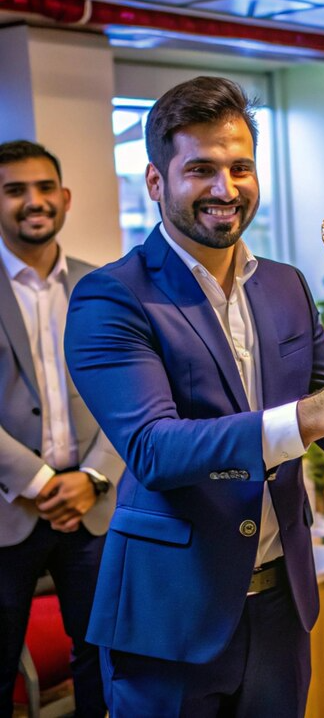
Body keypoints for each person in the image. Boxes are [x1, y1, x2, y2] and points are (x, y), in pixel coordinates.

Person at [63, 76, 324, 718]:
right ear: (155, 181)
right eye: (200, 169)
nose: (226, 189)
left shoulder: (284, 285)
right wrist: (314, 413)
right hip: (172, 613)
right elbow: (154, 450)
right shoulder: (112, 295)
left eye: (240, 168)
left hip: (282, 603)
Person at [0, 140, 123, 717]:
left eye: (45, 187)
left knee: (104, 661)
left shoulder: (103, 286)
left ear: (65, 198)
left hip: (93, 508)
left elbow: (132, 397)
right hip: (8, 508)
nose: (34, 201)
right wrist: (42, 481)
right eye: (14, 190)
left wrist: (94, 477)